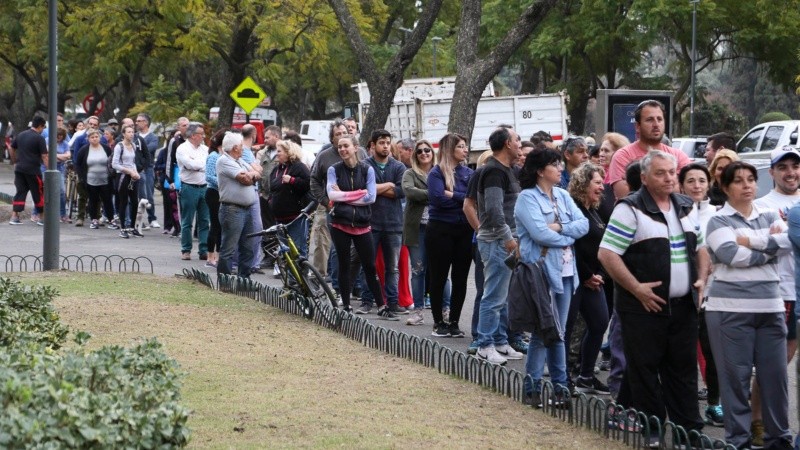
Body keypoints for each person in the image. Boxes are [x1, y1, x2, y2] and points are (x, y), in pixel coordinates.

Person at [598, 150, 708, 446]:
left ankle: (690, 434)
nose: (669, 178)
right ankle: (653, 431)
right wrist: (636, 288)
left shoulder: (686, 206)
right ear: (644, 178)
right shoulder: (630, 209)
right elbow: (607, 254)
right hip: (642, 309)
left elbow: (701, 247)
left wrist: (701, 277)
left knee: (683, 373)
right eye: (661, 173)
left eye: (672, 172)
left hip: (683, 307)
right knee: (644, 372)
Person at [705, 161, 793, 449]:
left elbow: (787, 243)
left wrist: (749, 241)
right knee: (736, 381)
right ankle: (738, 441)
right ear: (725, 187)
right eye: (739, 180)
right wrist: (767, 248)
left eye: (751, 180)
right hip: (730, 309)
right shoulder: (718, 220)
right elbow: (731, 255)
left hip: (770, 307)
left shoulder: (770, 214)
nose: (747, 185)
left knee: (775, 379)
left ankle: (778, 440)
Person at [516, 148, 588, 407]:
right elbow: (539, 234)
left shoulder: (563, 195)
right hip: (541, 272)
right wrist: (569, 235)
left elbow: (584, 225)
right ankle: (537, 387)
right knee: (544, 329)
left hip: (568, 273)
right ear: (540, 170)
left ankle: (558, 388)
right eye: (554, 164)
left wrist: (560, 228)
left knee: (556, 330)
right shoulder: (527, 198)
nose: (560, 169)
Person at [749, 146, 800, 446]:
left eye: (795, 166)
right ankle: (757, 421)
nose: (791, 172)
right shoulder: (763, 205)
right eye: (783, 167)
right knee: (774, 364)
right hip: (779, 291)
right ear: (772, 172)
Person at [326, 135, 398, 320]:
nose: (342, 149)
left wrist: (345, 195)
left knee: (369, 266)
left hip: (363, 224)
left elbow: (371, 197)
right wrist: (357, 194)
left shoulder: (367, 170)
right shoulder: (333, 170)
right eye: (340, 146)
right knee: (344, 264)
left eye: (346, 146)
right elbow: (332, 195)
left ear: (355, 147)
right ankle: (346, 305)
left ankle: (381, 305)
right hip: (340, 223)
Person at [473, 126, 525, 365]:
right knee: (493, 296)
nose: (520, 144)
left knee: (503, 296)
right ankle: (485, 345)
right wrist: (508, 239)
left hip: (505, 241)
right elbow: (494, 211)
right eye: (517, 140)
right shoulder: (494, 171)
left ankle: (501, 341)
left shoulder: (508, 170)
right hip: (497, 241)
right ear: (507, 144)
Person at [678, 162, 723, 427]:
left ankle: (715, 404)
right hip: (683, 292)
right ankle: (685, 407)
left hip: (714, 292)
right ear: (681, 184)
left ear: (709, 184)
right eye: (691, 181)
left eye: (701, 181)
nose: (696, 186)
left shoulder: (718, 214)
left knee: (713, 352)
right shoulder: (676, 212)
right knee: (682, 354)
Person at [564, 162, 610, 394]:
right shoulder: (572, 209)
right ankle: (562, 377)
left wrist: (600, 274)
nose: (603, 187)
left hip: (594, 278)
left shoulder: (594, 209)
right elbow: (573, 246)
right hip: (575, 278)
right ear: (584, 183)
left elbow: (602, 246)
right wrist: (587, 275)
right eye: (598, 182)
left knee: (600, 322)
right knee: (567, 327)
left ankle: (586, 375)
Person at [426, 133, 474, 337]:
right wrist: (462, 201)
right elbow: (437, 199)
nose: (465, 150)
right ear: (450, 149)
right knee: (438, 276)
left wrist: (452, 194)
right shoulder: (436, 173)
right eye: (461, 147)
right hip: (440, 229)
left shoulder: (469, 173)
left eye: (465, 146)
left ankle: (454, 320)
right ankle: (438, 321)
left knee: (460, 277)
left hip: (464, 230)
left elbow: (473, 199)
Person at [356, 129, 407, 315]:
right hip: (369, 223)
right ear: (372, 145)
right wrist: (388, 186)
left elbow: (400, 192)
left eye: (387, 142)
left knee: (392, 267)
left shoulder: (399, 167)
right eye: (381, 143)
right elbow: (363, 190)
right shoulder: (364, 166)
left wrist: (375, 189)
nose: (385, 146)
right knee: (368, 264)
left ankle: (392, 303)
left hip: (393, 224)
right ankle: (367, 301)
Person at [308, 121, 366, 281]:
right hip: (331, 207)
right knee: (331, 245)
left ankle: (355, 284)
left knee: (358, 247)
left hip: (358, 207)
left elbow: (368, 177)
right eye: (337, 135)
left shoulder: (361, 153)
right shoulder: (324, 156)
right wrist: (325, 200)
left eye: (344, 133)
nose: (341, 138)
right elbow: (314, 180)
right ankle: (329, 280)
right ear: (332, 139)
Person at [606, 100, 691, 200]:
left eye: (659, 119)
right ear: (637, 126)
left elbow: (687, 194)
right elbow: (626, 195)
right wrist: (671, 186)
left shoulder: (679, 156)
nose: (656, 124)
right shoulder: (622, 156)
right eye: (650, 120)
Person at [216, 131, 260, 278]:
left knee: (248, 247)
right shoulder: (224, 160)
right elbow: (245, 179)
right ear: (235, 147)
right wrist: (251, 176)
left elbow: (258, 173)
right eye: (241, 146)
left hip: (246, 209)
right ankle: (225, 281)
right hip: (232, 209)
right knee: (229, 248)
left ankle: (244, 280)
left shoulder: (239, 161)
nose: (243, 148)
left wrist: (251, 175)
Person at [402, 139, 436, 326]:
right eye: (420, 151)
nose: (424, 153)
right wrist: (435, 193)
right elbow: (409, 192)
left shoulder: (440, 172)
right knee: (418, 271)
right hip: (417, 229)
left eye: (427, 150)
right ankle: (418, 311)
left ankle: (445, 311)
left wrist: (426, 193)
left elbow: (450, 192)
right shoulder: (410, 173)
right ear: (415, 155)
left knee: (440, 271)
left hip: (438, 228)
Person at [268, 139, 311, 257]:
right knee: (285, 250)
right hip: (279, 218)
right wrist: (271, 201)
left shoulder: (299, 167)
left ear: (288, 152)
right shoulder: (276, 170)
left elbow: (309, 184)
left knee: (297, 249)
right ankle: (288, 275)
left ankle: (300, 274)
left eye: (279, 151)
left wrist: (292, 180)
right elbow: (272, 189)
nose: (277, 153)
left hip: (295, 217)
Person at [176, 122, 210, 260]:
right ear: (193, 135)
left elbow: (205, 165)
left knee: (204, 220)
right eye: (201, 134)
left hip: (204, 186)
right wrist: (200, 166)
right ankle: (186, 250)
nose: (203, 136)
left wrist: (198, 166)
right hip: (188, 187)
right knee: (187, 221)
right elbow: (190, 165)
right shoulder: (182, 149)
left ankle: (204, 250)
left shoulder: (205, 149)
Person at [8, 116, 47, 226]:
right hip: (33, 170)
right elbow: (44, 156)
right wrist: (49, 170)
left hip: (19, 169)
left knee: (20, 191)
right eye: (43, 127)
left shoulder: (21, 135)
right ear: (40, 126)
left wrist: (15, 161)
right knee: (38, 192)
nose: (43, 130)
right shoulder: (39, 138)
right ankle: (41, 217)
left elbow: (11, 148)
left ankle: (14, 216)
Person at [74, 129, 115, 230]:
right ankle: (94, 220)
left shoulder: (106, 148)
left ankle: (111, 220)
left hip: (105, 179)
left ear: (100, 138)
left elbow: (112, 161)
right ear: (88, 139)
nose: (94, 139)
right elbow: (78, 165)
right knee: (93, 200)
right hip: (90, 179)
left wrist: (112, 174)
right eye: (92, 137)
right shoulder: (84, 150)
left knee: (107, 200)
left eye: (96, 137)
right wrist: (82, 177)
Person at [111, 124, 145, 238]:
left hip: (132, 176)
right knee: (123, 202)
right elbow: (115, 164)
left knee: (135, 201)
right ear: (124, 134)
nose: (131, 134)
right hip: (122, 176)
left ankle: (132, 227)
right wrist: (128, 171)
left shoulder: (134, 146)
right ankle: (123, 228)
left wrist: (135, 173)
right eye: (129, 132)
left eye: (132, 132)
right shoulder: (119, 146)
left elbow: (133, 162)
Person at [205, 129, 227, 269]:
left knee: (221, 226)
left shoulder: (224, 155)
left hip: (222, 193)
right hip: (213, 193)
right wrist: (224, 183)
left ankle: (219, 255)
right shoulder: (213, 156)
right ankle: (210, 256)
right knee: (215, 225)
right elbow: (209, 176)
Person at [136, 113, 160, 228]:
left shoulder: (153, 137)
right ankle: (138, 219)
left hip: (148, 168)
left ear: (146, 122)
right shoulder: (134, 136)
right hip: (136, 168)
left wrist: (138, 149)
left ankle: (152, 218)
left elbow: (150, 149)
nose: (137, 122)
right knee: (137, 195)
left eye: (139, 121)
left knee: (149, 195)